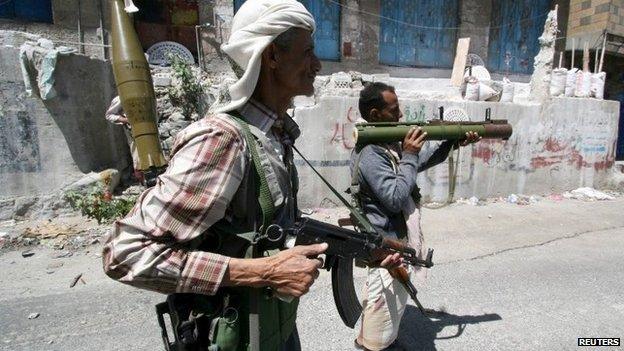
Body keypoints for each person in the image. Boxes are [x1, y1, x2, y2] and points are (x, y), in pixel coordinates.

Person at [102, 1, 338, 349]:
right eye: (307, 52)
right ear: (271, 56)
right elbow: (125, 253)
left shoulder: (274, 134)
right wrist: (263, 272)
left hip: (272, 331)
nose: (317, 65)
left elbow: (266, 230)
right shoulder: (223, 141)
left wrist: (362, 250)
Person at [351, 82, 480, 351]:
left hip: (394, 241)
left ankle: (379, 340)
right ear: (375, 115)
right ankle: (375, 345)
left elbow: (418, 164)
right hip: (383, 247)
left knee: (390, 306)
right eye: (394, 110)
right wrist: (409, 153)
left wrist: (450, 143)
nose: (400, 116)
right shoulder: (371, 153)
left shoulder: (385, 145)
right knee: (381, 303)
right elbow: (396, 197)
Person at [104, 95, 143, 183]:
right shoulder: (121, 97)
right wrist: (126, 120)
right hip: (133, 133)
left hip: (149, 130)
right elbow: (109, 115)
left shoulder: (145, 91)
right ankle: (144, 183)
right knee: (138, 158)